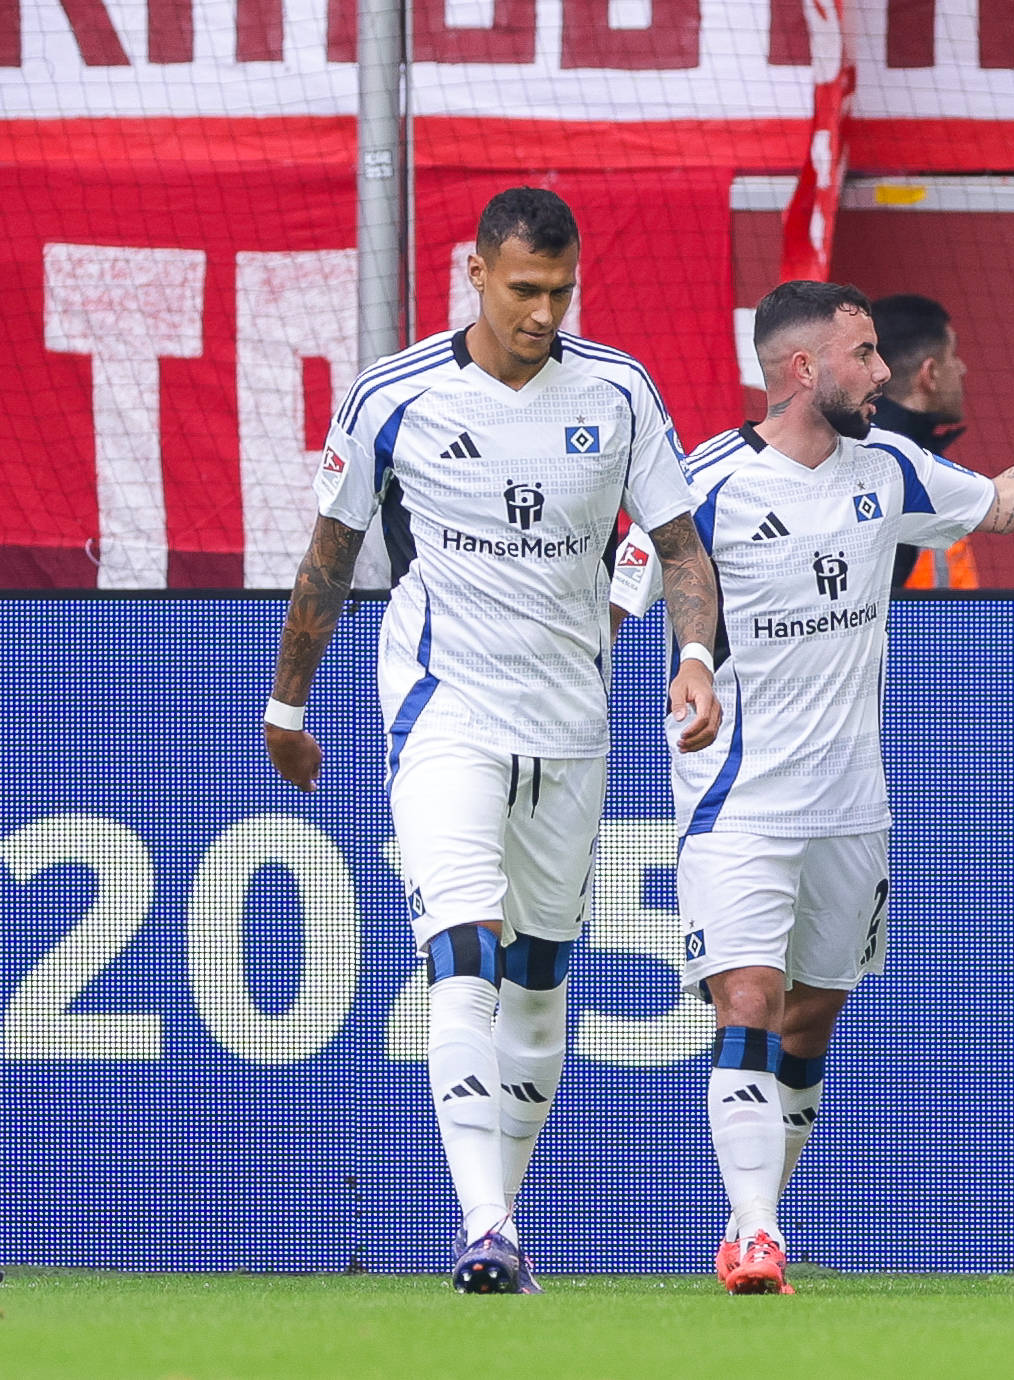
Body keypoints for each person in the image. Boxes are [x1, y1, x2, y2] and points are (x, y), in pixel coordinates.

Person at [620, 280, 1014, 1296]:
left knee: (809, 1021)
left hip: (852, 807)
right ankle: (754, 1232)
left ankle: (762, 1210)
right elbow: (645, 583)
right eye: (865, 356)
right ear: (805, 368)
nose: (885, 373)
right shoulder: (705, 480)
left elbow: (1011, 499)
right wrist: (694, 658)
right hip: (736, 803)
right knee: (749, 999)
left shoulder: (888, 467)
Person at [263, 188, 722, 1293]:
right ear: (473, 271)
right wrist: (287, 707)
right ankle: (485, 1225)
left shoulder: (615, 391)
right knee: (463, 951)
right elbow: (330, 558)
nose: (544, 311)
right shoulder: (396, 395)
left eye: (562, 291)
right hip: (444, 708)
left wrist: (695, 657)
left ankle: (501, 1218)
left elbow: (681, 549)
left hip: (572, 719)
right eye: (525, 289)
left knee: (541, 977)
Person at [869, 293, 978, 588]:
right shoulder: (903, 470)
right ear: (929, 374)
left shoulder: (869, 456)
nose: (961, 368)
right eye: (953, 355)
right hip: (910, 633)